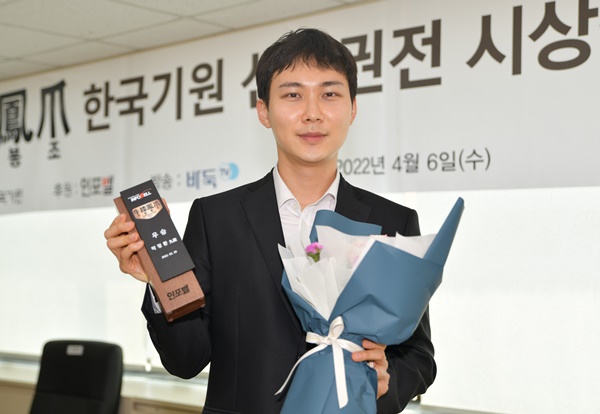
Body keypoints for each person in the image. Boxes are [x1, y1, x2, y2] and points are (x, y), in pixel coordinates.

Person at [105, 28, 436, 413]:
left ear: (352, 109)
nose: (312, 112)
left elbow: (418, 356)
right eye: (293, 95)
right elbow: (186, 359)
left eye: (329, 94)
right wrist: (157, 281)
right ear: (263, 111)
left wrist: (386, 379)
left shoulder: (393, 222)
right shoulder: (216, 218)